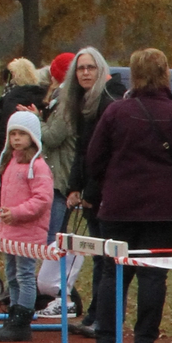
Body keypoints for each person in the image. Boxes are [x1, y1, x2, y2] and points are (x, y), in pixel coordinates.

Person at [82, 49, 172, 343]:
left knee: (114, 273)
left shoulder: (115, 113)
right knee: (153, 275)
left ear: (133, 75)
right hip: (166, 209)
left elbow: (94, 159)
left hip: (119, 205)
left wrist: (111, 181)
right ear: (166, 73)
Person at [42, 47, 115, 326]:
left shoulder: (107, 102)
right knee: (97, 256)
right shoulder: (80, 103)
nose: (85, 73)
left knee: (105, 259)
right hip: (87, 188)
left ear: (101, 70)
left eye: (90, 68)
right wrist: (74, 187)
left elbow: (103, 153)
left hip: (106, 192)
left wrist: (91, 192)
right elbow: (82, 151)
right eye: (81, 68)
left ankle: (102, 318)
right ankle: (95, 315)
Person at [0, 108, 53, 342]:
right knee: (12, 275)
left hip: (28, 232)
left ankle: (22, 321)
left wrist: (15, 213)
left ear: (32, 136)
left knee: (24, 275)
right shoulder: (10, 162)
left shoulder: (38, 166)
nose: (16, 139)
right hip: (10, 231)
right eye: (13, 134)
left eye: (22, 134)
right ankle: (14, 314)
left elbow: (42, 199)